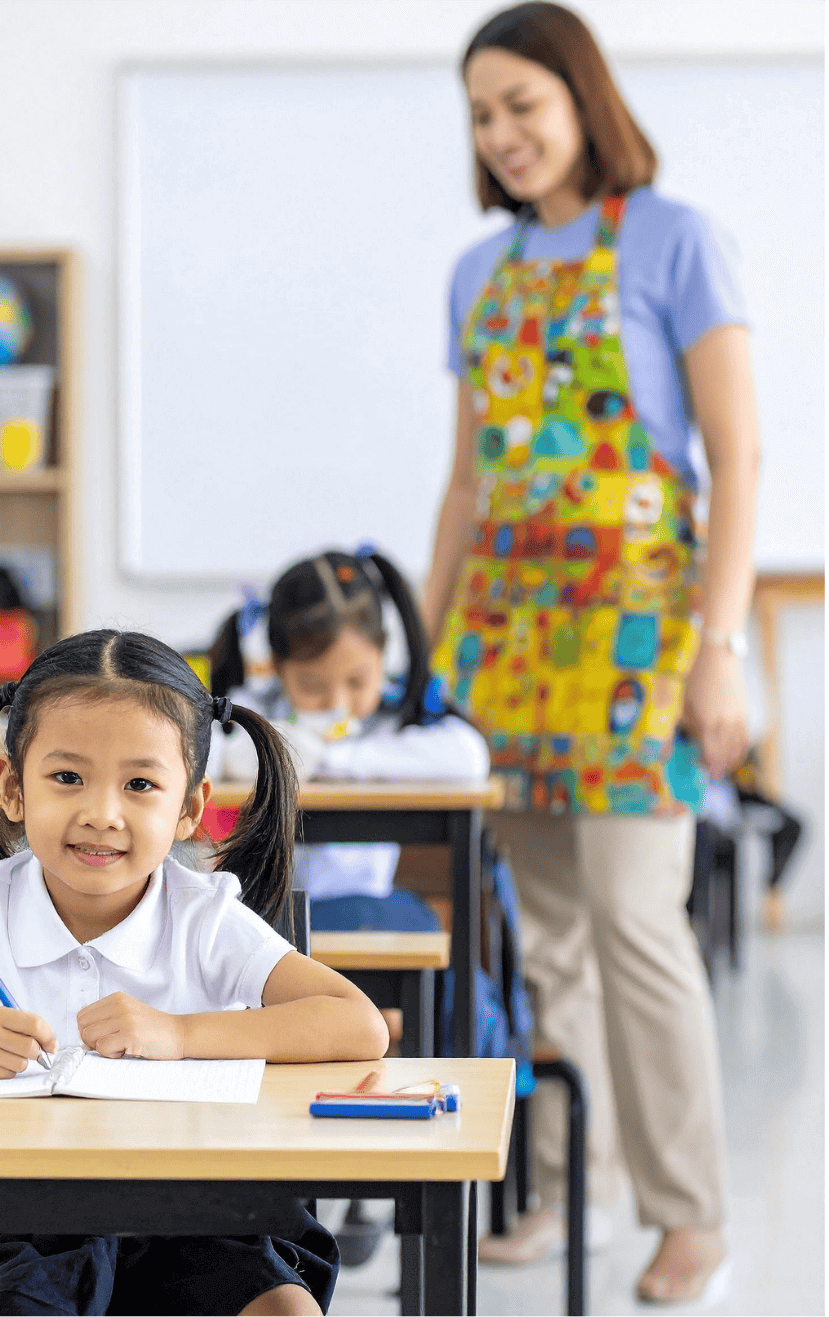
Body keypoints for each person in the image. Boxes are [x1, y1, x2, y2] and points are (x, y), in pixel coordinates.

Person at [422, 3, 759, 1304]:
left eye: (522, 104)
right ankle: (572, 1190)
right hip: (505, 644)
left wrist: (718, 649)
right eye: (481, 115)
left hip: (640, 645)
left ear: (582, 97)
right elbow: (465, 486)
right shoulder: (478, 273)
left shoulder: (676, 241)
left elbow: (736, 460)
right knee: (546, 936)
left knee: (635, 922)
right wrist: (428, 660)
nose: (502, 134)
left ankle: (694, 1217)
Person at [0, 628, 389, 1316]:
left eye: (141, 784)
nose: (102, 813)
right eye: (67, 777)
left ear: (188, 809)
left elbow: (356, 1022)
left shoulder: (204, 915)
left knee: (284, 1309)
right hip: (8, 1224)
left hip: (190, 1216)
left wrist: (178, 1033)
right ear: (11, 784)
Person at [208, 547, 518, 1062]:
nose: (338, 704)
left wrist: (330, 758)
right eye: (311, 685)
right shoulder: (258, 709)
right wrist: (275, 744)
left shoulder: (400, 717)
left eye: (357, 682)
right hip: (275, 915)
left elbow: (468, 755)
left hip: (371, 911)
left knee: (466, 993)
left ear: (383, 655)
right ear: (278, 668)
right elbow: (215, 754)